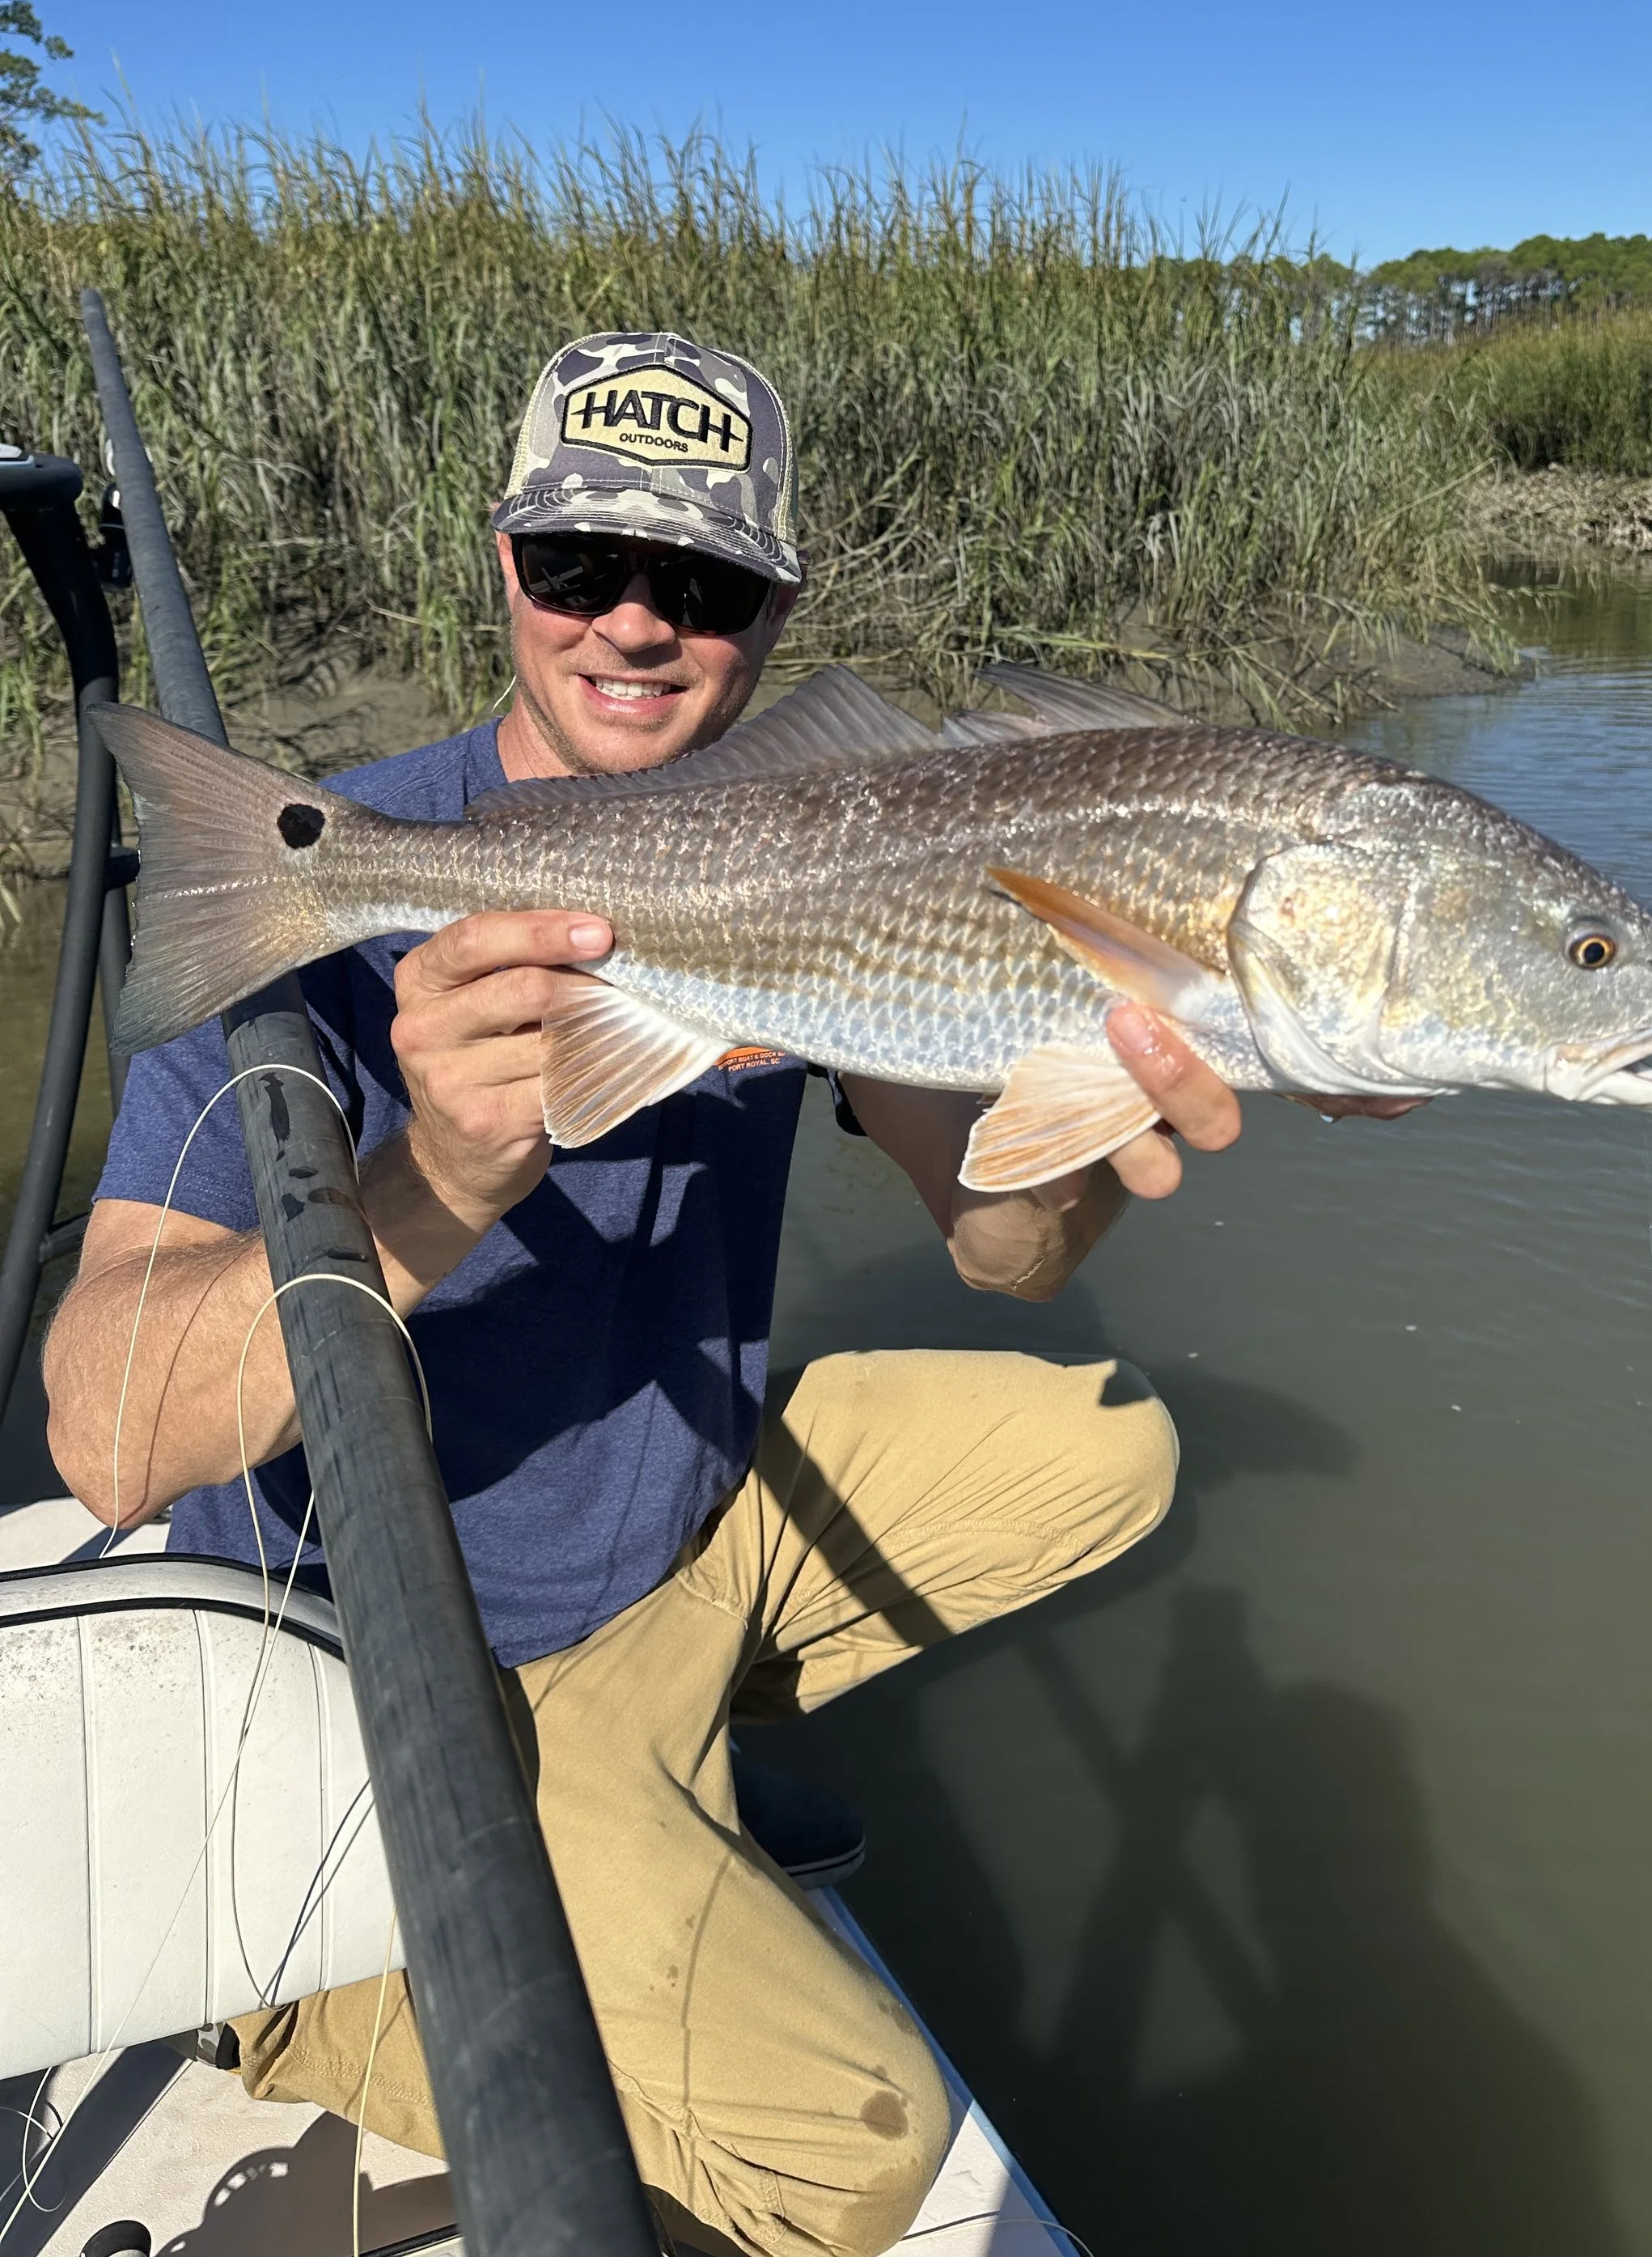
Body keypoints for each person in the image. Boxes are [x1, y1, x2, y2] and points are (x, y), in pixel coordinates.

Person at [43, 330, 1411, 2257]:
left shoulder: (843, 845)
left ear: (773, 613)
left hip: (681, 1530)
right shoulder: (328, 873)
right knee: (858, 2152)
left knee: (1114, 1445)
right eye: (578, 565)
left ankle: (673, 1755)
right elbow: (101, 1438)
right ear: (497, 560)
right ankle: (335, 1979)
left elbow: (1001, 1250)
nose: (634, 625)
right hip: (400, 1669)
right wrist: (421, 1184)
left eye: (701, 582)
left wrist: (1114, 1100)